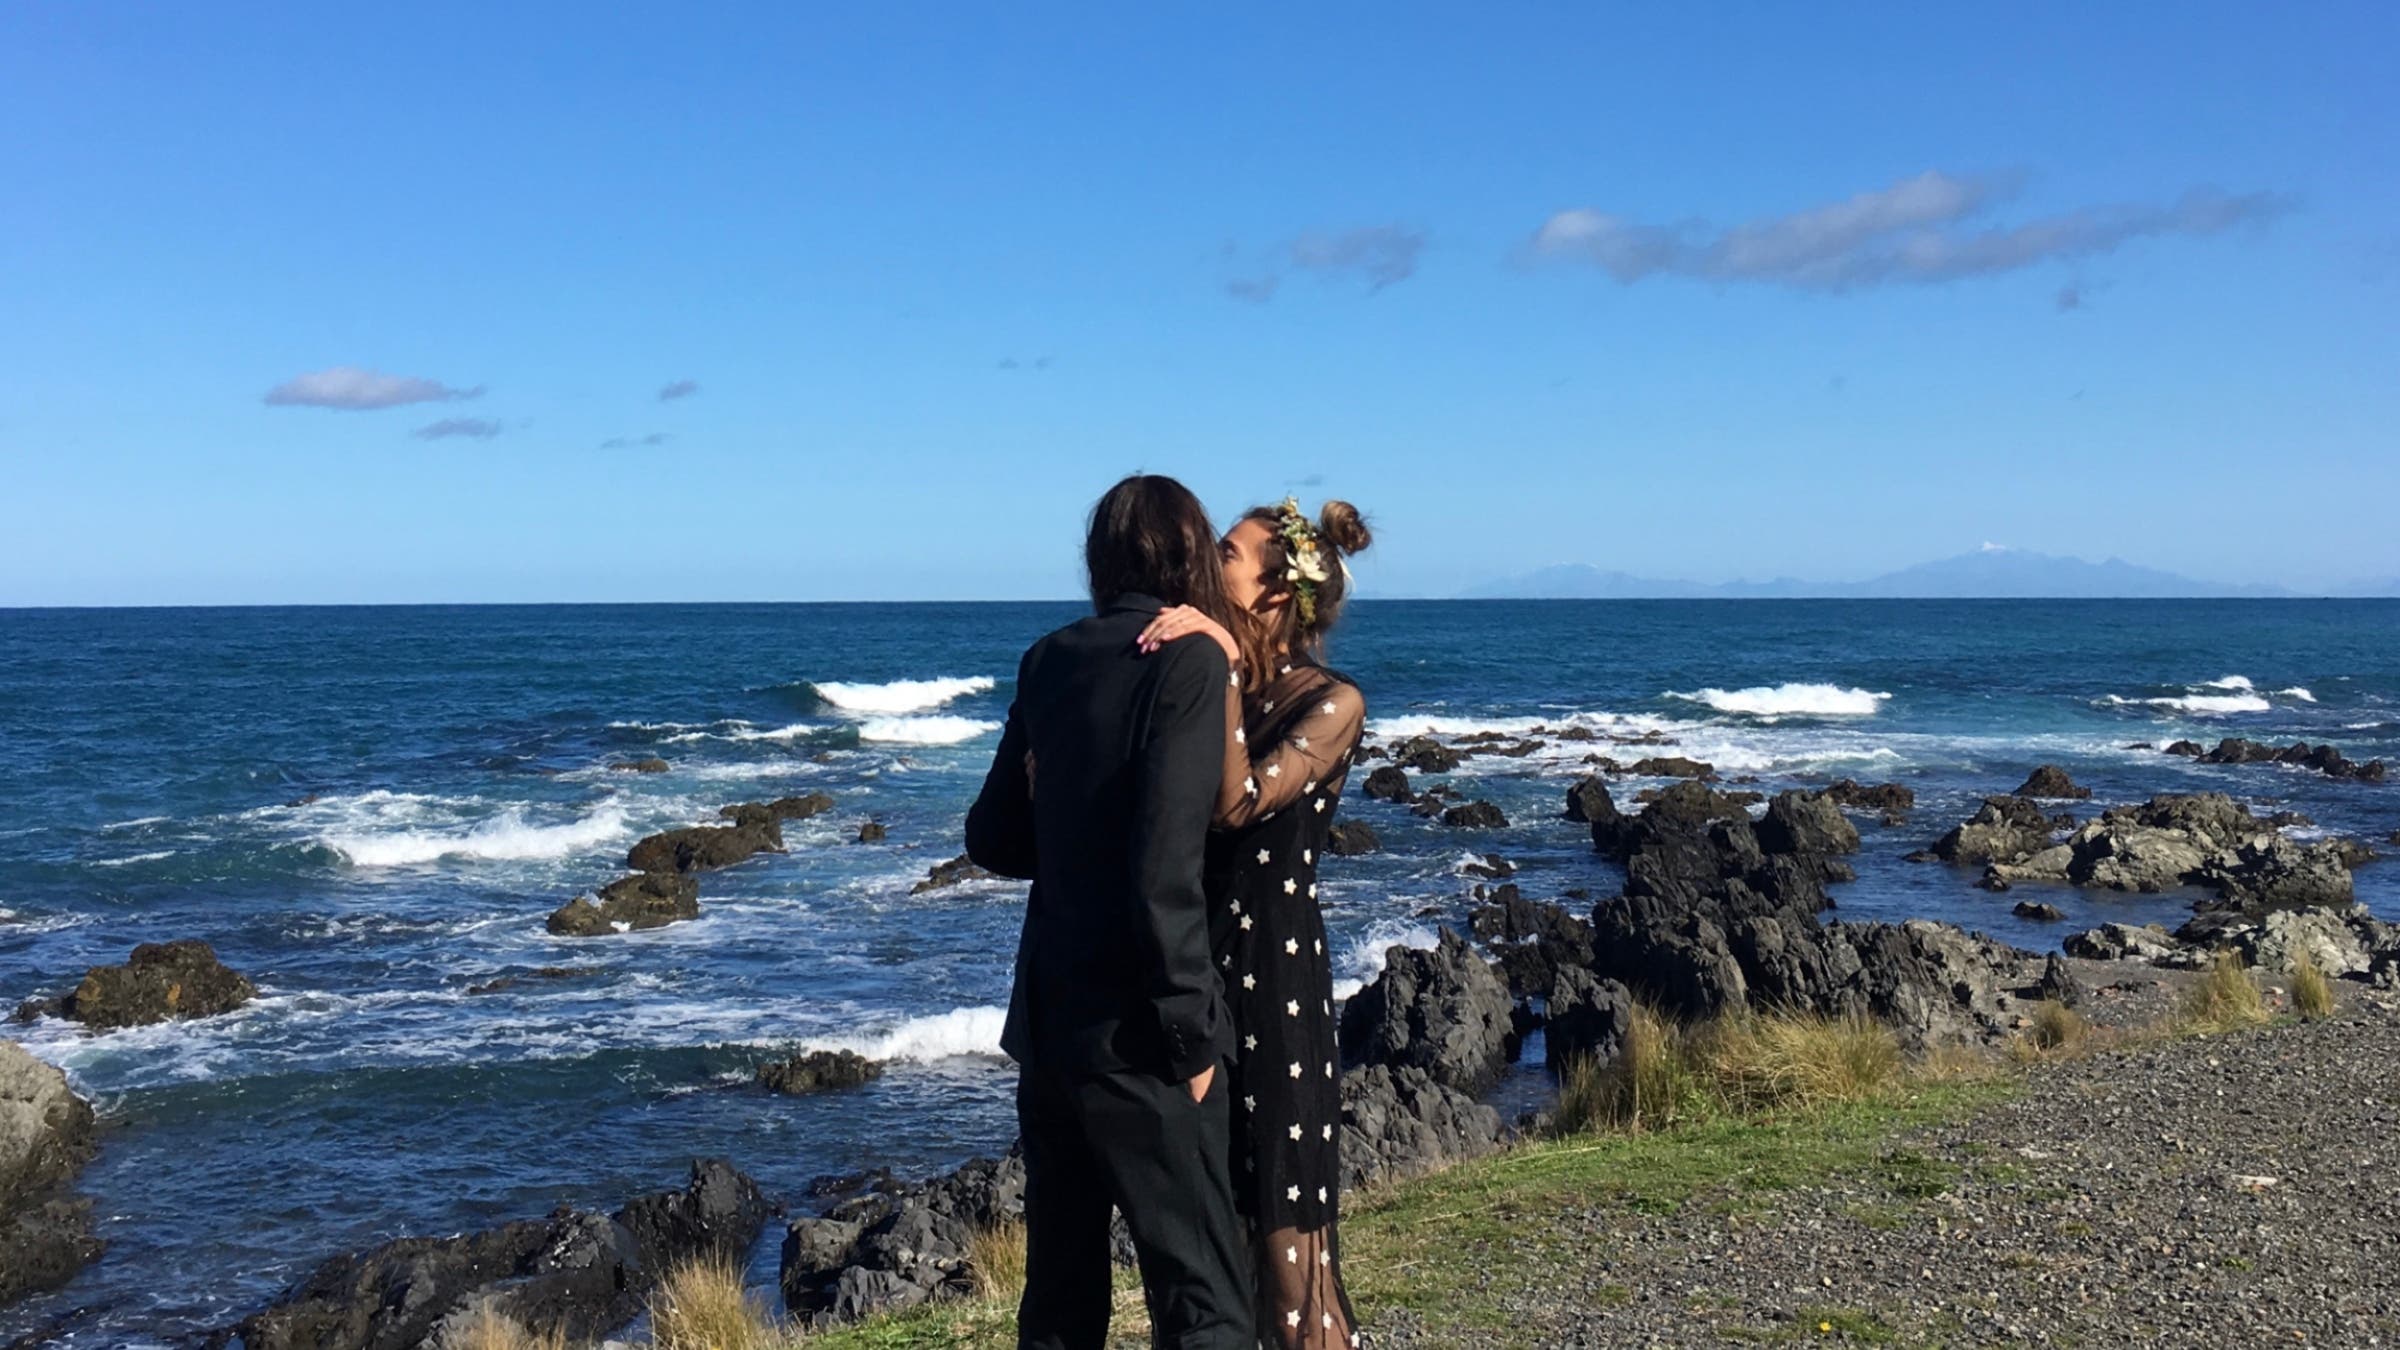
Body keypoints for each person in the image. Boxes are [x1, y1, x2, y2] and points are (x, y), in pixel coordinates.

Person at [964, 474, 1255, 1350]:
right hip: (1143, 1037)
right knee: (1202, 1297)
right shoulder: (1188, 661)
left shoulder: (1050, 658)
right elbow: (1164, 868)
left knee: (1059, 1301)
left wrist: (1055, 802)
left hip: (1051, 1032)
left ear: (1102, 559)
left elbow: (993, 840)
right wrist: (1188, 1033)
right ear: (1189, 554)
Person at [1135, 497, 1374, 1349]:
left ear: (1276, 591)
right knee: (1206, 1243)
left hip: (1275, 981)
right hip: (1198, 976)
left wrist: (1219, 665)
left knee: (1287, 1249)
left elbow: (1235, 803)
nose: (1209, 565)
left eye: (1227, 554)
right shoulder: (1216, 675)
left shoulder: (1334, 702)